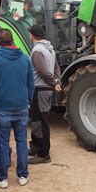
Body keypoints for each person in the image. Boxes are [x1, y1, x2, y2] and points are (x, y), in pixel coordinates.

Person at [0, 29, 34, 189]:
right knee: (21, 141)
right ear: (13, 40)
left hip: (2, 107)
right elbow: (30, 85)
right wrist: (28, 102)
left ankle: (2, 178)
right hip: (21, 106)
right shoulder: (25, 59)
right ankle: (23, 175)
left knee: (3, 143)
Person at [27, 25, 61, 164]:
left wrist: (53, 82)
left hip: (39, 89)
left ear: (32, 35)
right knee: (37, 119)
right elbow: (56, 67)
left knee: (41, 121)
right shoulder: (50, 48)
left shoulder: (37, 50)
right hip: (46, 89)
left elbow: (42, 71)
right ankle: (35, 145)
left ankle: (43, 153)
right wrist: (57, 81)